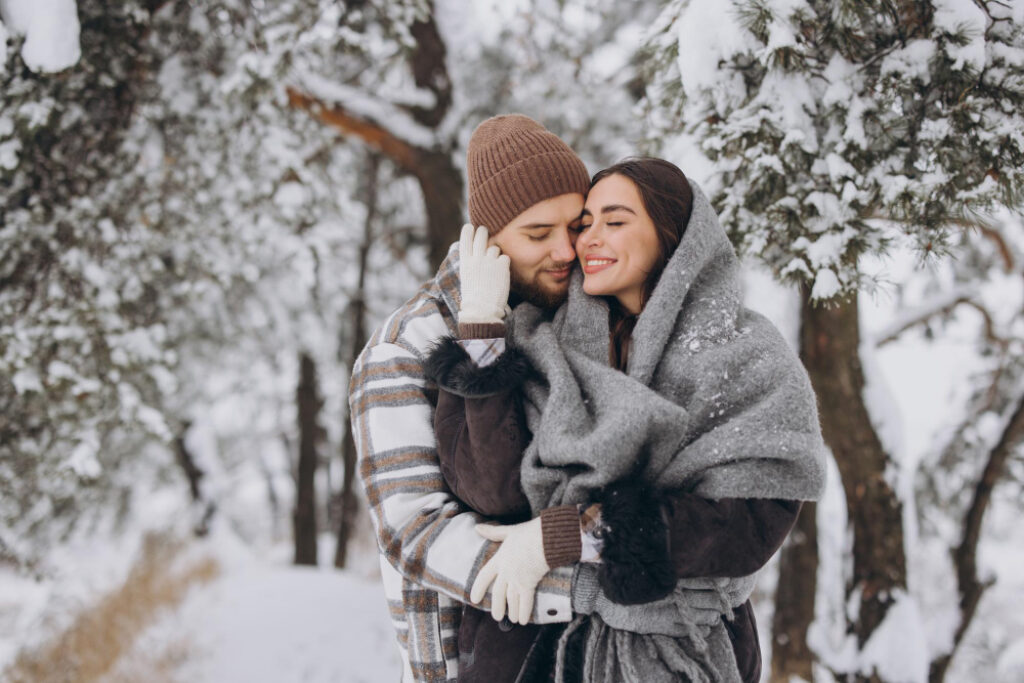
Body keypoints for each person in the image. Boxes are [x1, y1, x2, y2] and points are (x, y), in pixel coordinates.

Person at [425, 158, 827, 681]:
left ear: (675, 237)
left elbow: (753, 521)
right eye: (584, 223)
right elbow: (489, 490)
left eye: (614, 221)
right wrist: (480, 326)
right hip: (535, 650)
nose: (586, 240)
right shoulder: (540, 339)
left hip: (687, 647)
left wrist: (575, 534)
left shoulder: (750, 354)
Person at [349, 114, 595, 683]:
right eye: (538, 234)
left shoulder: (580, 312)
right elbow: (415, 533)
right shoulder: (401, 348)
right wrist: (588, 584)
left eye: (574, 227)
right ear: (485, 237)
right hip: (470, 662)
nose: (565, 251)